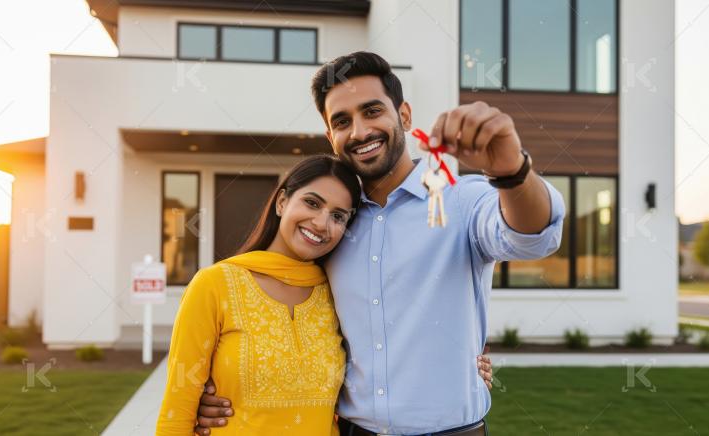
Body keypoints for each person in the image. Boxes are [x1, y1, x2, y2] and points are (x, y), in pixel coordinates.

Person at [196, 51, 566, 436]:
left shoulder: (461, 201)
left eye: (372, 111)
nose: (358, 132)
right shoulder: (331, 227)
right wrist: (224, 388)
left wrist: (511, 171)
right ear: (330, 137)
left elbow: (533, 237)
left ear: (404, 116)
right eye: (342, 121)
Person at [156, 155, 494, 435]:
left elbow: (376, 361)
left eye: (338, 216)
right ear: (282, 201)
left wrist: (462, 367)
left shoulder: (332, 292)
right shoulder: (215, 285)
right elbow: (177, 409)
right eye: (312, 203)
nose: (321, 223)